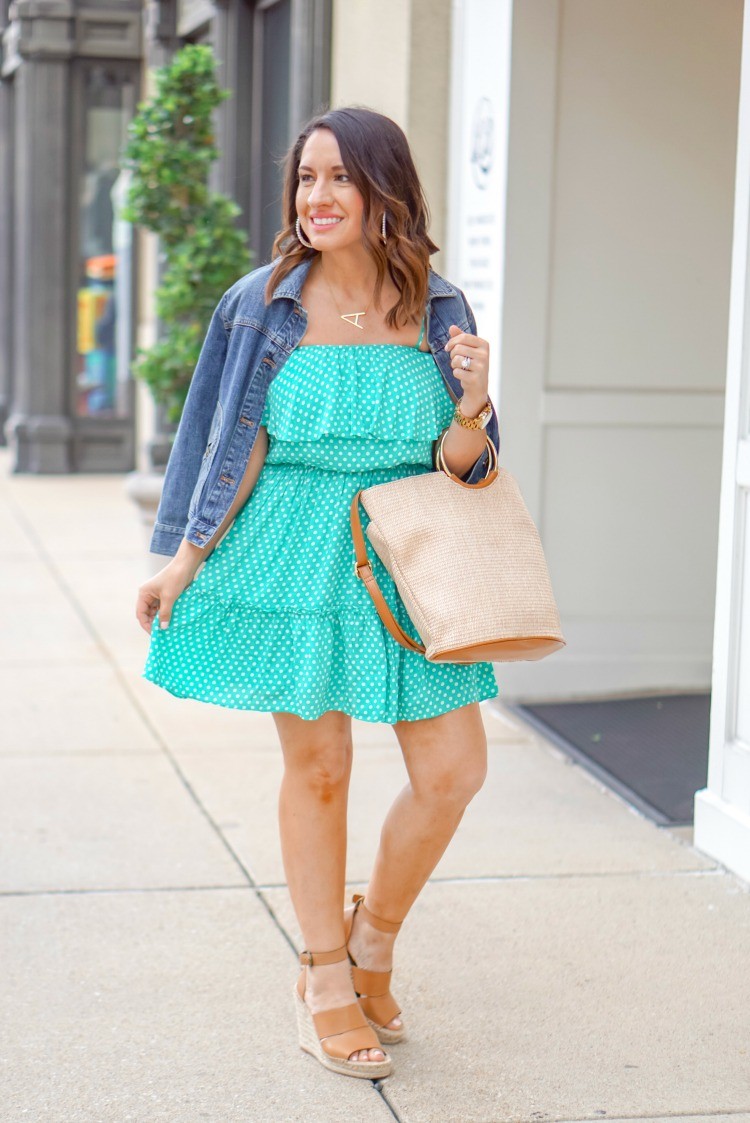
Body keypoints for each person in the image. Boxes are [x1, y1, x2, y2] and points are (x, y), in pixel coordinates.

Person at [135, 106, 500, 1081]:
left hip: (408, 552)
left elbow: (467, 465)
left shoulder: (440, 302)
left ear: (387, 188)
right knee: (323, 765)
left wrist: (470, 408)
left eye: (340, 177)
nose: (319, 197)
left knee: (456, 768)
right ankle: (326, 975)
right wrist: (183, 555)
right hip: (290, 548)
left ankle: (372, 936)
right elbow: (229, 443)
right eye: (307, 178)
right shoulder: (263, 304)